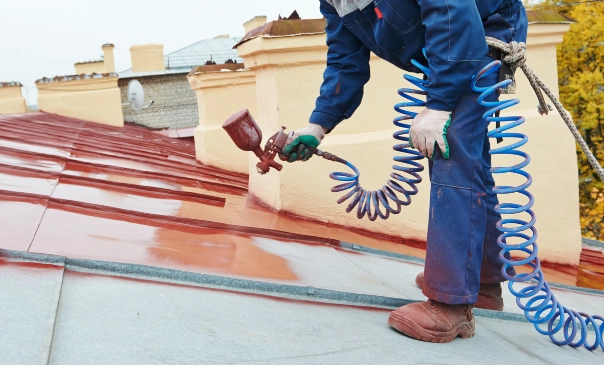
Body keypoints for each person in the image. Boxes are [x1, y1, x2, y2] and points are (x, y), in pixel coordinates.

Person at [278, 0, 528, 343]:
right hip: (448, 46)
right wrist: (318, 126)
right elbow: (344, 62)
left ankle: (451, 305)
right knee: (464, 151)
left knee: (450, 141)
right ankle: (483, 282)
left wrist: (439, 105)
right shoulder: (334, 2)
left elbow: (453, 14)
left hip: (482, 33)